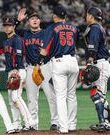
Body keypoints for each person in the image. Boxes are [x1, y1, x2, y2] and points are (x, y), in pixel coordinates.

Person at [15, 8, 58, 130]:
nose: (34, 20)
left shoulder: (45, 33)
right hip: (30, 68)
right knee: (31, 98)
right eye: (32, 19)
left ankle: (55, 122)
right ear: (28, 22)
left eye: (36, 18)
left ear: (39, 21)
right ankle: (32, 124)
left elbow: (53, 47)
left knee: (51, 96)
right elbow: (13, 30)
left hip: (45, 66)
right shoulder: (26, 34)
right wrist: (18, 20)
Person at [39, 4, 79, 133]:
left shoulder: (51, 28)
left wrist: (40, 62)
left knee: (61, 96)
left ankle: (64, 127)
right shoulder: (74, 28)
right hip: (73, 61)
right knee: (71, 95)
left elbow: (44, 51)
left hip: (59, 61)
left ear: (54, 16)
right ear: (65, 16)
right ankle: (72, 124)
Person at [2, 16, 35, 131]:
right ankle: (16, 125)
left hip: (18, 70)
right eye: (5, 26)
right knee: (11, 101)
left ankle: (30, 122)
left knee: (16, 97)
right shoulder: (6, 41)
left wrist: (16, 69)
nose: (7, 27)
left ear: (14, 26)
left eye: (9, 25)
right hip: (11, 71)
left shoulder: (17, 39)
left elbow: (19, 55)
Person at [83, 7, 110, 132]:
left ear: (91, 16)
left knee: (97, 95)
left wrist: (89, 63)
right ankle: (105, 121)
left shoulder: (95, 28)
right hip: (100, 63)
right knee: (99, 95)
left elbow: (93, 47)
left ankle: (104, 123)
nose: (86, 17)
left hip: (99, 63)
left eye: (87, 15)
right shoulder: (98, 27)